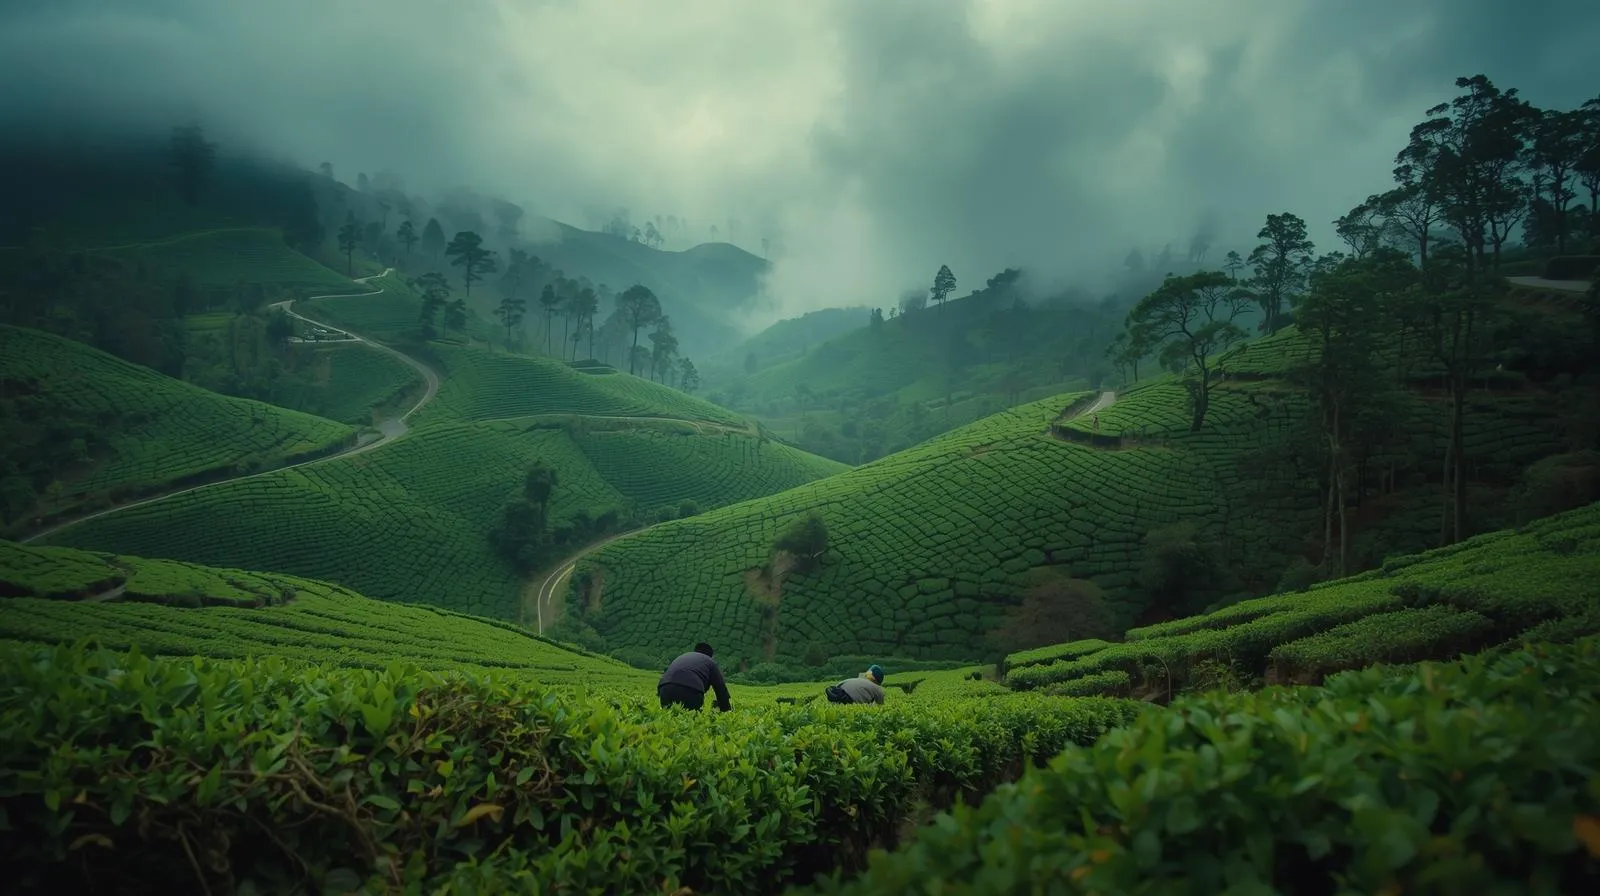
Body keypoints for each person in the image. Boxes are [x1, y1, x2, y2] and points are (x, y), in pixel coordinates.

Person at [658, 642, 732, 712]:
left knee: (669, 715)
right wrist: (726, 709)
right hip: (691, 690)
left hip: (665, 688)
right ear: (710, 655)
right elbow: (720, 688)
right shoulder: (710, 661)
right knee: (691, 717)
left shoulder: (684, 656)